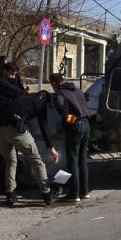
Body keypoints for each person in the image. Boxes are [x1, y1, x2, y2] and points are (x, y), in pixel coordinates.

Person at [0, 63, 59, 206]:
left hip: (0, 129)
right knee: (37, 161)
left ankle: (10, 195)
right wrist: (51, 148)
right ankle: (47, 194)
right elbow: (44, 127)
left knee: (11, 162)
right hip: (16, 130)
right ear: (47, 101)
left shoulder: (26, 98)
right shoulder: (41, 105)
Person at [50, 73, 91, 202]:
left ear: (54, 83)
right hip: (87, 124)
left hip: (76, 127)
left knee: (72, 161)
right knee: (82, 160)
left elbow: (62, 110)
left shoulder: (59, 94)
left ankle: (74, 193)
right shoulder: (77, 90)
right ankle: (84, 191)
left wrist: (69, 121)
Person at [0, 56, 26, 192]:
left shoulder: (13, 77)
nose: (12, 75)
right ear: (0, 67)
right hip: (1, 121)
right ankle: (1, 185)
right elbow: (17, 92)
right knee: (5, 154)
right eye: (6, 67)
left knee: (10, 154)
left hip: (12, 119)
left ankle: (9, 184)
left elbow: (20, 91)